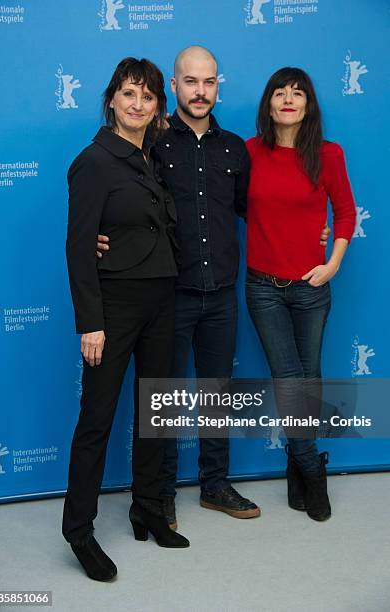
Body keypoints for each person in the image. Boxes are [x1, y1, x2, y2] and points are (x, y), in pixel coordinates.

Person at [97, 47, 330, 529]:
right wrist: (102, 236)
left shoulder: (235, 150)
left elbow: (261, 208)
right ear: (175, 88)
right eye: (189, 82)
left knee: (217, 393)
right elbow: (119, 197)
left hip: (223, 292)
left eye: (208, 82)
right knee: (162, 396)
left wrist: (315, 232)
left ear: (216, 87)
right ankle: (158, 493)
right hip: (168, 293)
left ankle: (215, 484)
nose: (199, 91)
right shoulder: (152, 144)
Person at [63, 57, 189, 583]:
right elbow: (77, 246)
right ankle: (79, 532)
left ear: (159, 107)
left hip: (163, 297)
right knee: (97, 418)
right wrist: (91, 322)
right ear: (112, 98)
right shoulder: (94, 161)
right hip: (114, 306)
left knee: (156, 410)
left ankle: (148, 507)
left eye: (149, 96)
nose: (138, 104)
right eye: (129, 94)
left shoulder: (153, 156)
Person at [245, 67, 356, 521]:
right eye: (279, 92)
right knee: (291, 381)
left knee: (309, 380)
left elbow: (346, 213)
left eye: (298, 93)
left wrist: (332, 263)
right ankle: (314, 471)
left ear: (308, 105)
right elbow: (222, 205)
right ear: (268, 103)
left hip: (311, 288)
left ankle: (296, 466)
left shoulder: (328, 154)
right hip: (263, 288)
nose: (288, 99)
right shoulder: (248, 152)